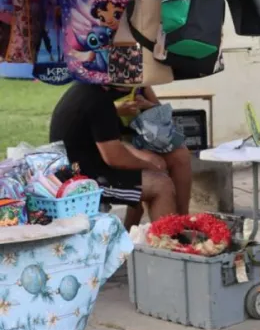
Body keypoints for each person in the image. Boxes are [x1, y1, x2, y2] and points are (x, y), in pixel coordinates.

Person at [49, 83, 193, 225]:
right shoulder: (98, 100)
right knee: (161, 185)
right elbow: (115, 157)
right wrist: (149, 165)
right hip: (82, 179)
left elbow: (113, 148)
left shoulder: (88, 90)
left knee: (170, 162)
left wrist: (147, 162)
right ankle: (166, 242)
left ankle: (179, 226)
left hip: (85, 163)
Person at [115, 86, 193, 228]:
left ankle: (183, 222)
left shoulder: (140, 82)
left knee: (181, 155)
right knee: (154, 164)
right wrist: (116, 110)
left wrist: (147, 105)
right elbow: (91, 118)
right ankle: (135, 221)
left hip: (141, 137)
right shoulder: (98, 82)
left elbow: (160, 111)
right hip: (113, 141)